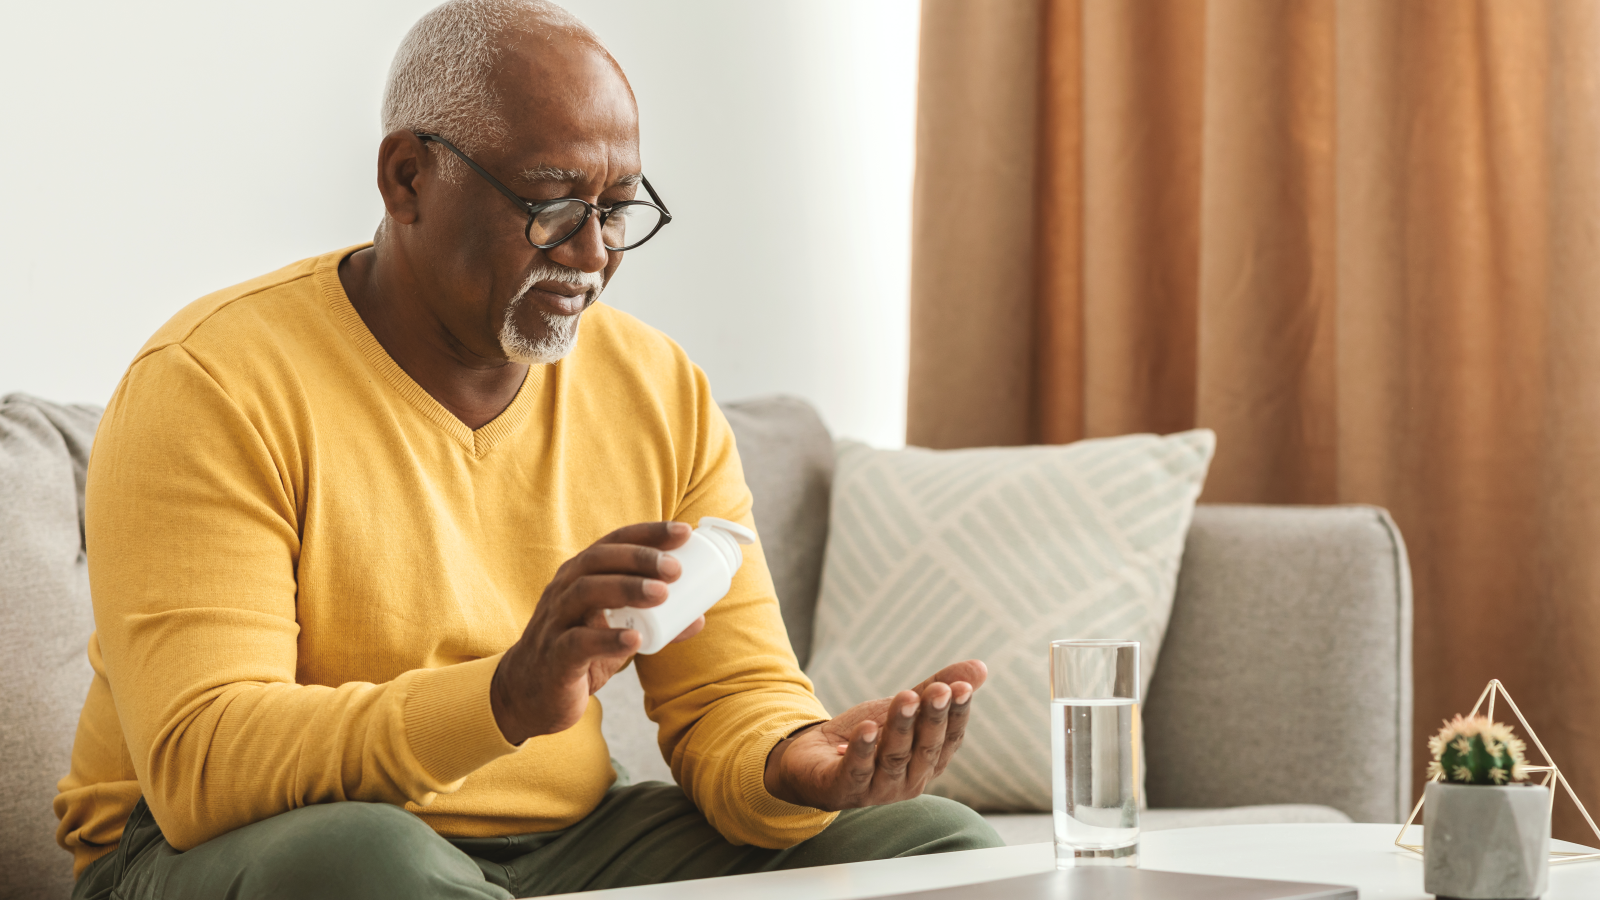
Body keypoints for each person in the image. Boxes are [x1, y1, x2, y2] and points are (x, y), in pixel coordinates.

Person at [54, 2, 1001, 897]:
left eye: (618, 208)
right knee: (368, 857)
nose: (591, 253)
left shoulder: (655, 386)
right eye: (551, 202)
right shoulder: (213, 379)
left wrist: (799, 763)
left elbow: (730, 692)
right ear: (407, 179)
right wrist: (503, 699)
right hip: (225, 849)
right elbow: (203, 764)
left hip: (563, 842)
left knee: (935, 847)